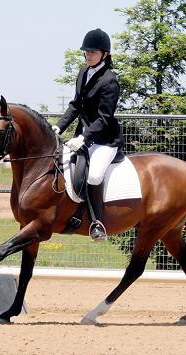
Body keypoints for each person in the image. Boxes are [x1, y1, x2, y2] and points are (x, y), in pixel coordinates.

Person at [52, 28, 124, 241]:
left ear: (105, 54)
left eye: (93, 52)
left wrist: (83, 137)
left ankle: (97, 223)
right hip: (82, 136)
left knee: (94, 175)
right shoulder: (83, 72)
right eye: (86, 52)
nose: (88, 55)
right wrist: (59, 127)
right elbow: (76, 105)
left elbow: (104, 118)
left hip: (105, 140)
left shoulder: (110, 80)